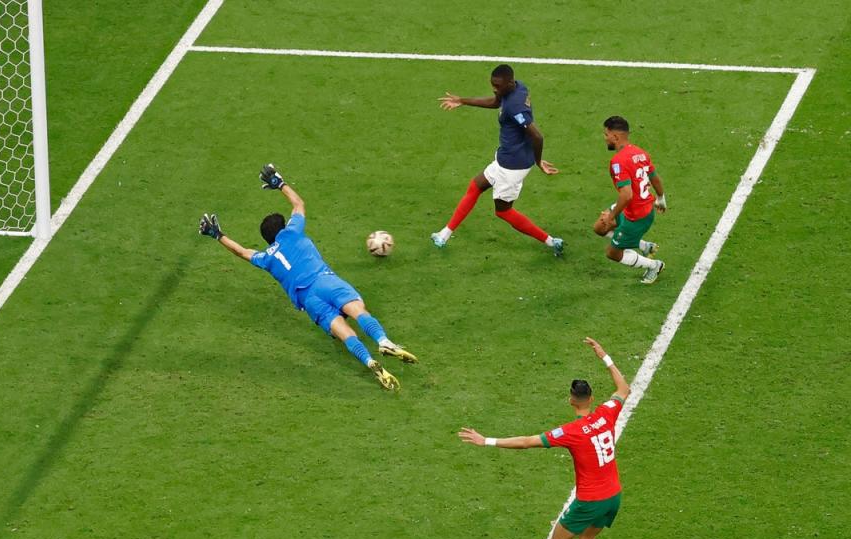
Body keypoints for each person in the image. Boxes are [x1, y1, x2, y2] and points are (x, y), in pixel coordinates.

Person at [198, 164, 417, 390]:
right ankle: (383, 341)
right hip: (325, 281)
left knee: (344, 333)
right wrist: (279, 184)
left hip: (308, 300)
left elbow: (242, 251)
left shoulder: (266, 258)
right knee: (358, 311)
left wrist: (217, 234)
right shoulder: (292, 232)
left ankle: (370, 361)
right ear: (282, 227)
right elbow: (298, 204)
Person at [458, 337, 629, 539]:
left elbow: (526, 442)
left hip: (590, 499)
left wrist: (485, 440)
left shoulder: (570, 432)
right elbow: (624, 388)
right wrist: (604, 356)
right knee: (587, 537)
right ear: (591, 397)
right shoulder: (607, 414)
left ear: (571, 400)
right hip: (614, 495)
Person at [431, 64, 563, 256]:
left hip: (512, 166)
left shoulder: (515, 106)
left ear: (509, 83)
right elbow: (495, 102)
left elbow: (537, 136)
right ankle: (444, 234)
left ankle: (552, 242)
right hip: (507, 158)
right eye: (493, 85)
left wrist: (538, 161)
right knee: (475, 186)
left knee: (503, 211)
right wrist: (463, 101)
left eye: (498, 86)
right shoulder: (517, 87)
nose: (495, 89)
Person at [593, 116, 667, 284]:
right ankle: (645, 246)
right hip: (633, 208)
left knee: (613, 253)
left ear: (615, 136)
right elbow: (654, 178)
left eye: (606, 134)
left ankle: (654, 265)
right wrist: (661, 198)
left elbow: (627, 195)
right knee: (599, 228)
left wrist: (611, 216)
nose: (605, 138)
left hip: (637, 217)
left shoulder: (617, 161)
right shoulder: (640, 153)